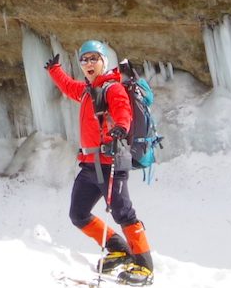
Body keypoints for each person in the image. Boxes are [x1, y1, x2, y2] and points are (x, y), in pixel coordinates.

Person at [45, 40, 154, 286]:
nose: (88, 63)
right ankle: (118, 249)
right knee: (78, 214)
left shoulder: (112, 88)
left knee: (123, 212)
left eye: (93, 58)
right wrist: (54, 71)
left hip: (110, 161)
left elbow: (123, 110)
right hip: (89, 165)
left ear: (104, 61)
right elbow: (68, 86)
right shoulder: (86, 91)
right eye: (84, 59)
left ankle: (145, 266)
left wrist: (121, 128)